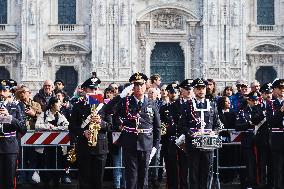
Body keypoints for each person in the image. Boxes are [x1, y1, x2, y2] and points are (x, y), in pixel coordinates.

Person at [115, 72, 161, 189]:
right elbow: (114, 115)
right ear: (132, 87)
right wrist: (120, 124)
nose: (139, 87)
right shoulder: (126, 101)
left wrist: (155, 145)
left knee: (143, 176)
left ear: (146, 86)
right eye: (136, 85)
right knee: (131, 177)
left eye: (141, 85)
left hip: (146, 144)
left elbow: (157, 127)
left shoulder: (152, 103)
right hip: (130, 143)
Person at [179, 78, 223, 189]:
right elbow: (181, 126)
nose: (201, 91)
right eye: (198, 88)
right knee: (193, 174)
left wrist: (214, 132)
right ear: (194, 90)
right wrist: (191, 133)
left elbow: (218, 124)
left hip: (208, 145)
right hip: (193, 144)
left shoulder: (212, 105)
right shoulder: (187, 105)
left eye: (203, 88)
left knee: (206, 173)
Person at [70, 75, 111, 189]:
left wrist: (101, 122)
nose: (94, 91)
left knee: (98, 181)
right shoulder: (78, 106)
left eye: (95, 89)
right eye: (91, 89)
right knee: (84, 180)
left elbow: (111, 126)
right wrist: (83, 132)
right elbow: (72, 126)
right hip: (84, 146)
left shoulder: (104, 106)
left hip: (100, 147)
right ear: (85, 90)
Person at [35, 96, 69, 189]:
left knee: (57, 164)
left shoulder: (60, 115)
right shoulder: (44, 114)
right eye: (58, 103)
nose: (60, 105)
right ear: (52, 105)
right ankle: (46, 181)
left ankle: (56, 180)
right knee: (46, 163)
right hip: (45, 147)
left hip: (57, 147)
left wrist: (56, 128)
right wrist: (47, 126)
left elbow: (67, 125)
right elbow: (37, 125)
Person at [0, 80, 26, 189]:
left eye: (3, 91)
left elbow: (23, 128)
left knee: (9, 181)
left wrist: (10, 117)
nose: (1, 94)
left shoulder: (15, 107)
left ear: (6, 92)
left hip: (9, 149)